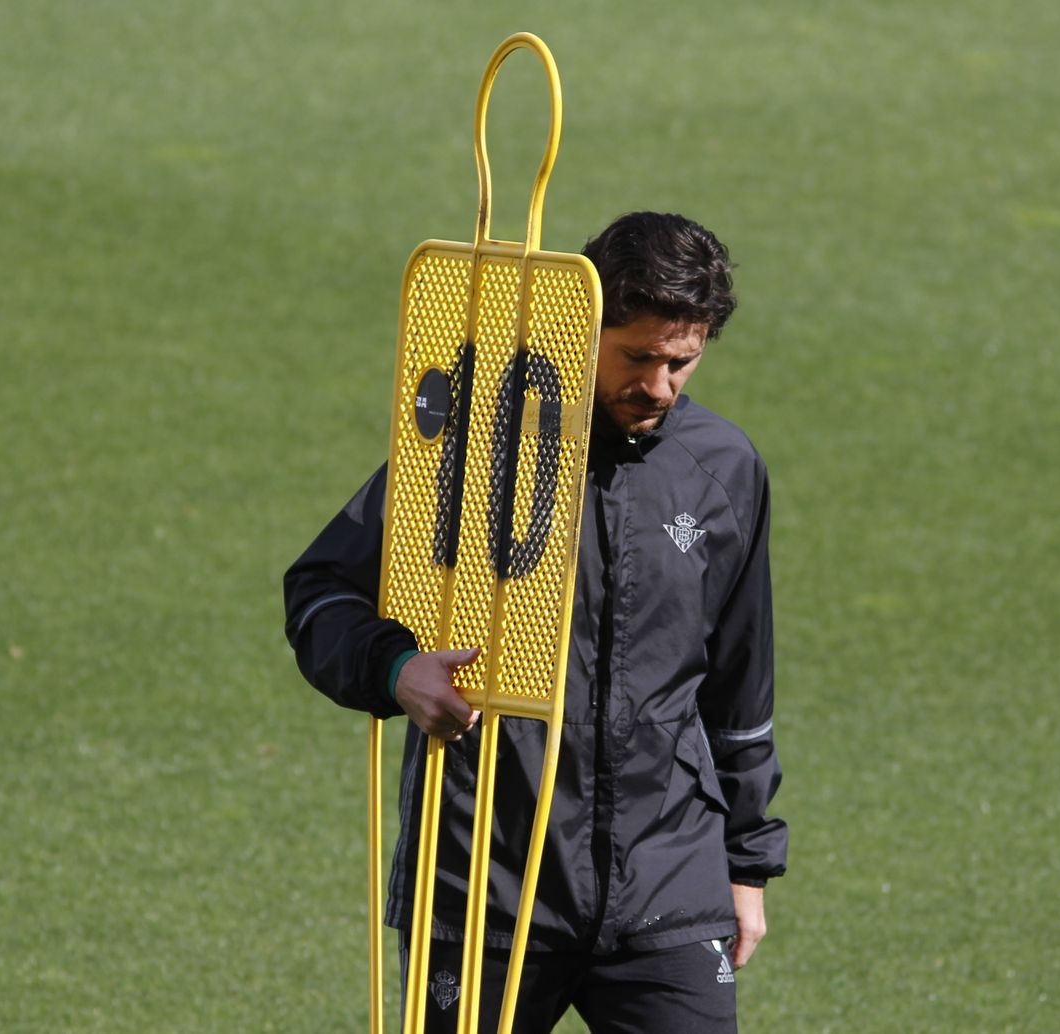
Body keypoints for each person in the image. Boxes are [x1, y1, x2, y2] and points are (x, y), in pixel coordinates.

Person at [284, 211, 786, 1033]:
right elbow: (320, 591)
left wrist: (748, 867)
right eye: (636, 357)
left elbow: (739, 690)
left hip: (668, 885)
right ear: (578, 328)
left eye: (681, 363)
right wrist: (394, 670)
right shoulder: (472, 443)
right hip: (483, 882)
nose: (658, 386)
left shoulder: (723, 469)